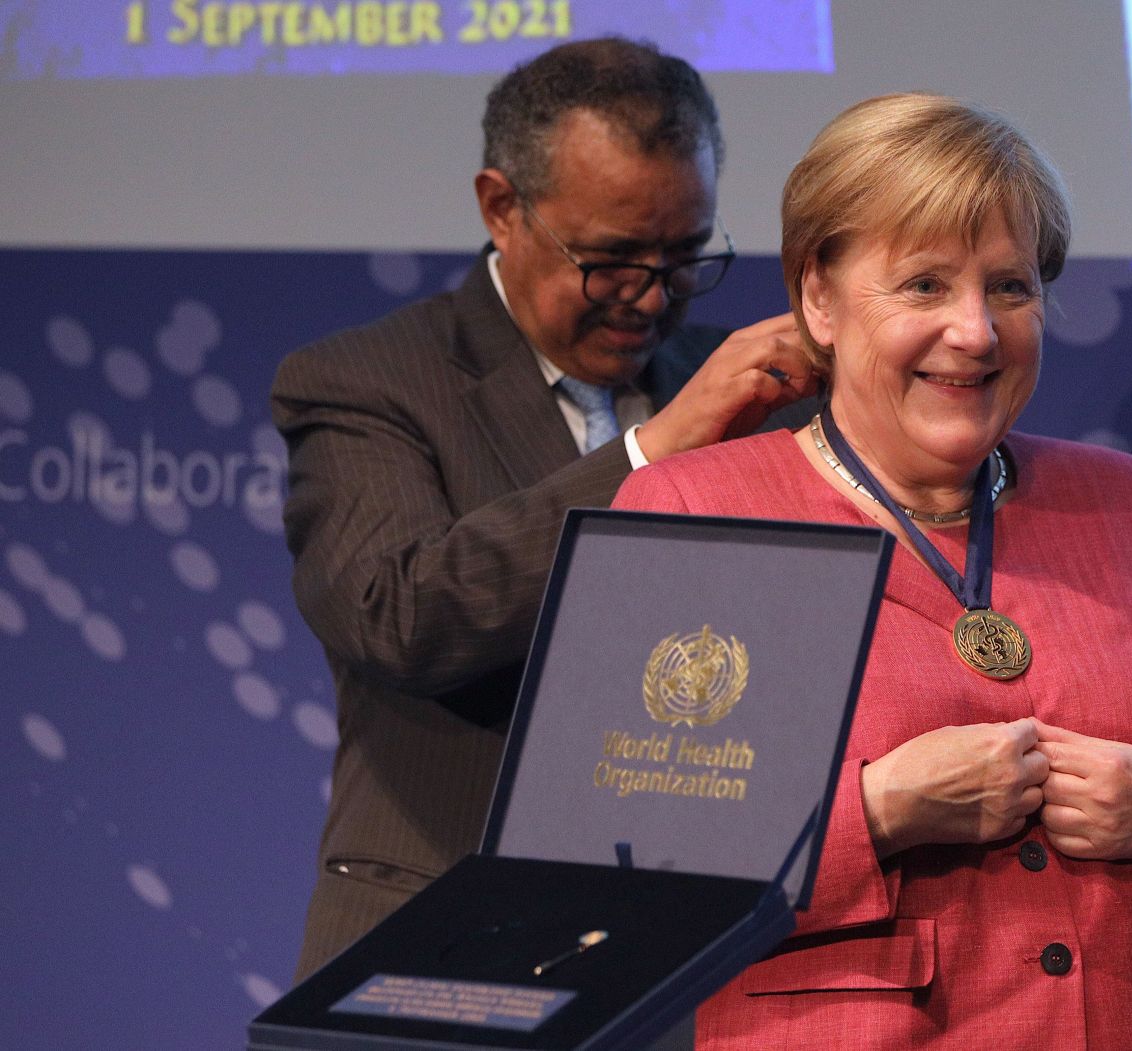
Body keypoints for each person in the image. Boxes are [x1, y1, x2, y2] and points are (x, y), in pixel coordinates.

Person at [613, 93, 1132, 1049]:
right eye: (925, 285)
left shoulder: (1128, 502)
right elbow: (627, 881)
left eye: (1009, 287)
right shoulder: (699, 514)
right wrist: (879, 811)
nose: (976, 331)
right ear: (820, 297)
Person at [272, 37, 815, 981]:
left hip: (691, 953)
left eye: (686, 254)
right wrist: (653, 453)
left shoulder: (750, 395)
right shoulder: (366, 381)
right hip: (438, 942)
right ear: (500, 207)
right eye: (609, 259)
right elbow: (399, 612)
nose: (649, 296)